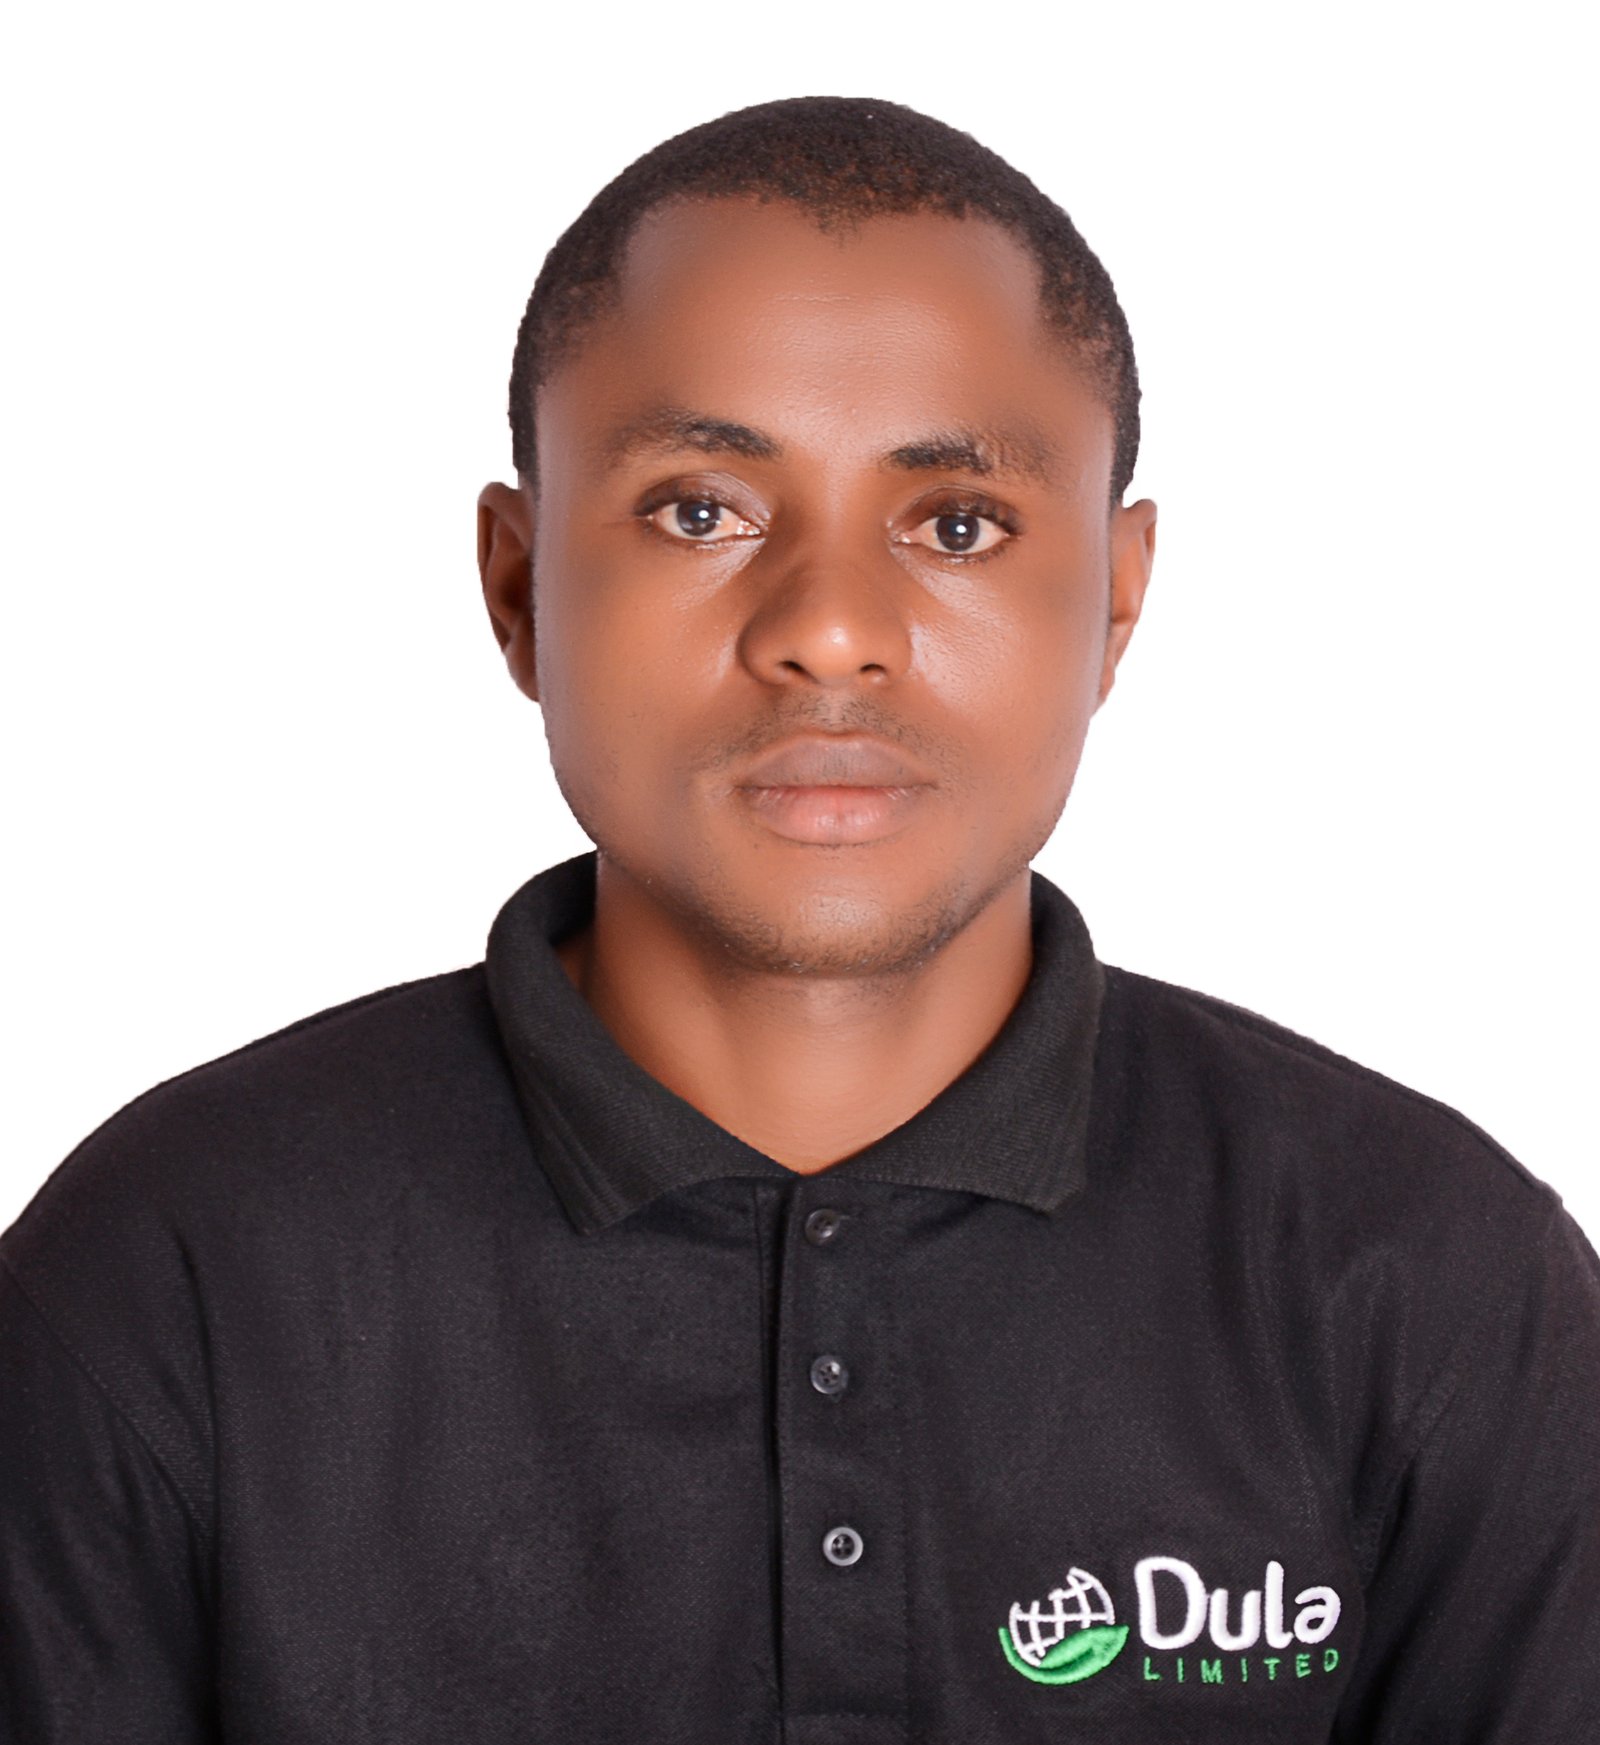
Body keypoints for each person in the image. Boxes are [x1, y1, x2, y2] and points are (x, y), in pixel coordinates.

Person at [2, 94, 1596, 1745]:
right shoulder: (164, 1277)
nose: (830, 629)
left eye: (958, 523)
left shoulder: (1430, 1285)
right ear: (518, 584)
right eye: (700, 509)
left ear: (1116, 601)